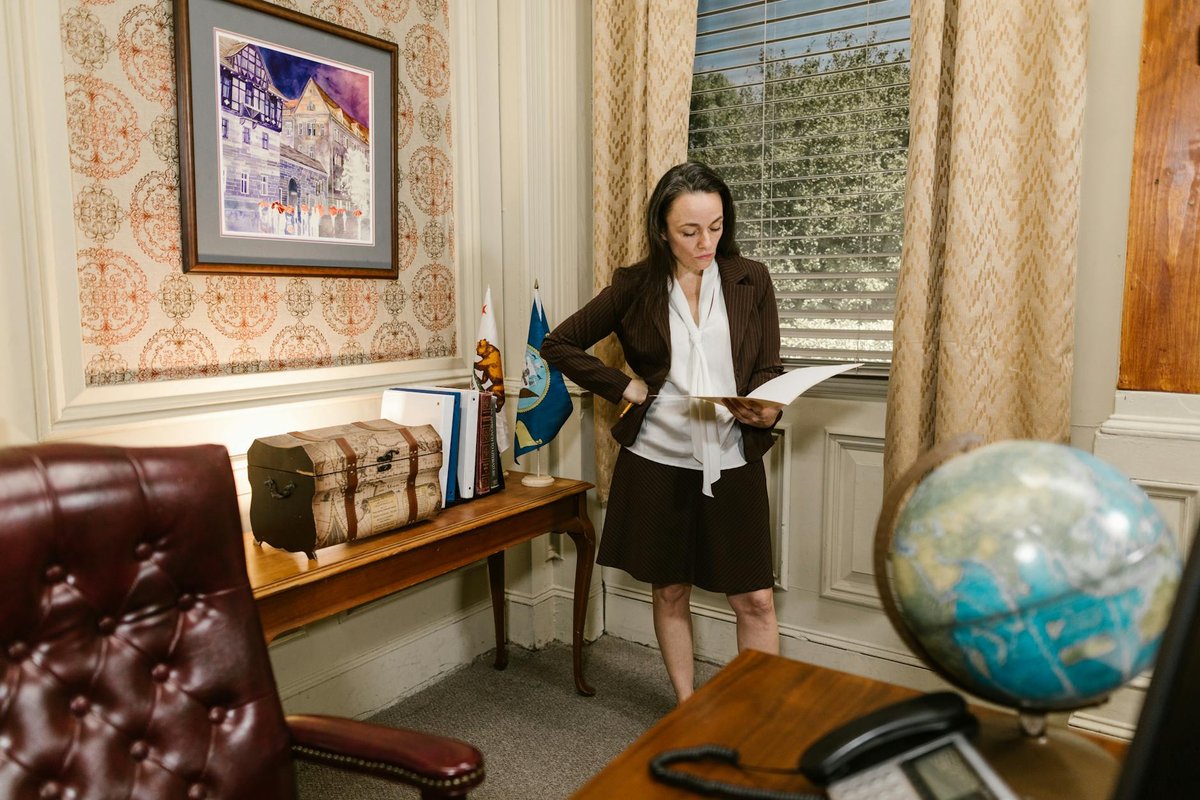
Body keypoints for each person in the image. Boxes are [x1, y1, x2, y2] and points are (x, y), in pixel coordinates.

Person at [542, 161, 783, 703]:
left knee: (758, 600)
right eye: (689, 231)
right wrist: (621, 386)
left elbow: (768, 366)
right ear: (661, 230)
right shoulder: (634, 286)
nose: (706, 242)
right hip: (655, 460)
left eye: (716, 227)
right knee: (671, 588)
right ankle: (687, 705)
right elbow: (558, 344)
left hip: (732, 458)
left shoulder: (751, 279)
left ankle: (763, 714)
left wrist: (767, 408)